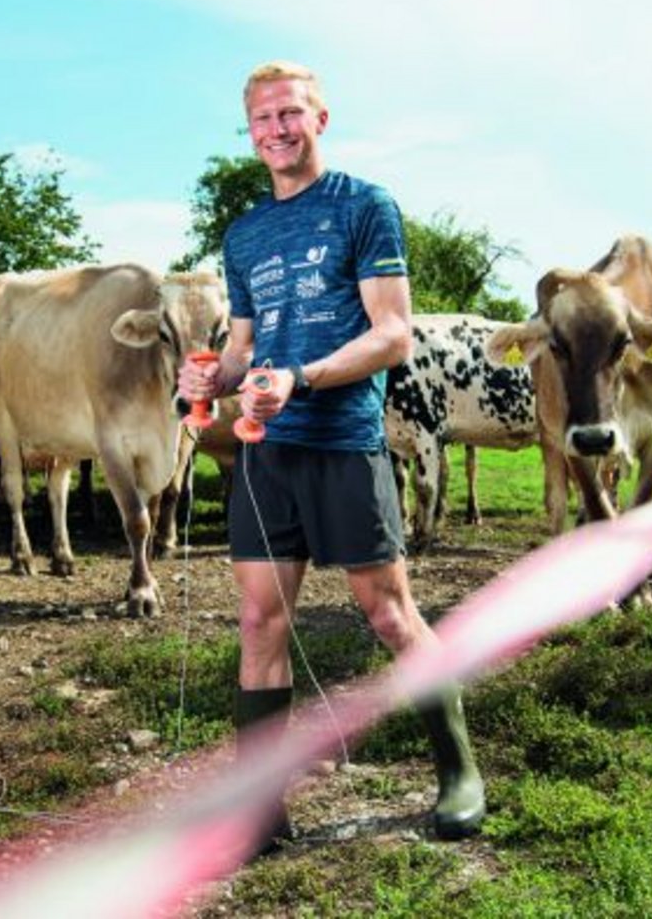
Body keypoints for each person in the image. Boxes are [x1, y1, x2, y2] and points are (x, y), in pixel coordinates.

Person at [178, 60, 484, 849]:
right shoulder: (244, 235)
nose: (276, 129)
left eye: (290, 114)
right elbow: (244, 350)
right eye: (262, 120)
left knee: (388, 613)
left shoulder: (364, 207)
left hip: (343, 443)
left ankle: (458, 770)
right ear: (250, 135)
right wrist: (208, 378)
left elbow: (393, 334)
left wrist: (303, 378)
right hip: (265, 454)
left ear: (320, 119)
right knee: (257, 621)